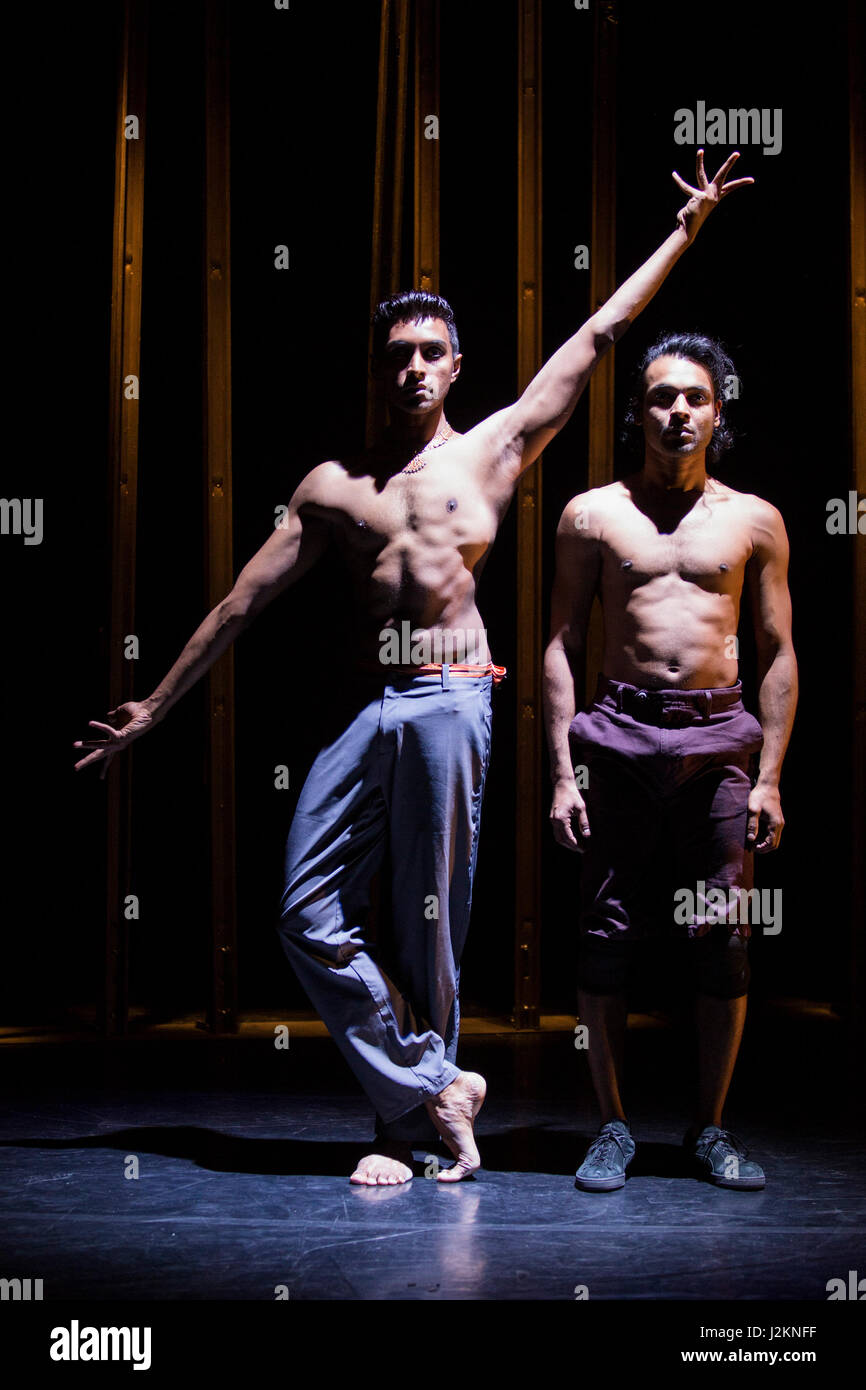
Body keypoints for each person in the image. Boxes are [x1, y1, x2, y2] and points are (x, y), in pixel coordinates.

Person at [75, 152, 753, 1186]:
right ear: (377, 367)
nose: (413, 368)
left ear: (455, 364)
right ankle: (435, 1081)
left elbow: (598, 335)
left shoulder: (491, 450)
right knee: (305, 912)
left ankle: (415, 1126)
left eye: (430, 352)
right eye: (396, 353)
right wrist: (155, 709)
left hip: (452, 699)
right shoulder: (331, 489)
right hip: (366, 705)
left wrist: (684, 231)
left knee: (426, 916)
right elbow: (237, 603)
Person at [543, 329, 797, 1192]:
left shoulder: (753, 519)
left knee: (721, 939)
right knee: (604, 939)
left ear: (717, 413)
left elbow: (778, 651)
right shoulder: (592, 514)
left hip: (718, 744)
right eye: (660, 396)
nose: (677, 411)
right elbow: (560, 642)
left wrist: (768, 777)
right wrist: (557, 773)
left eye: (694, 398)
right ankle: (611, 1127)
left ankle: (711, 1128)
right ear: (637, 412)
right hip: (618, 737)